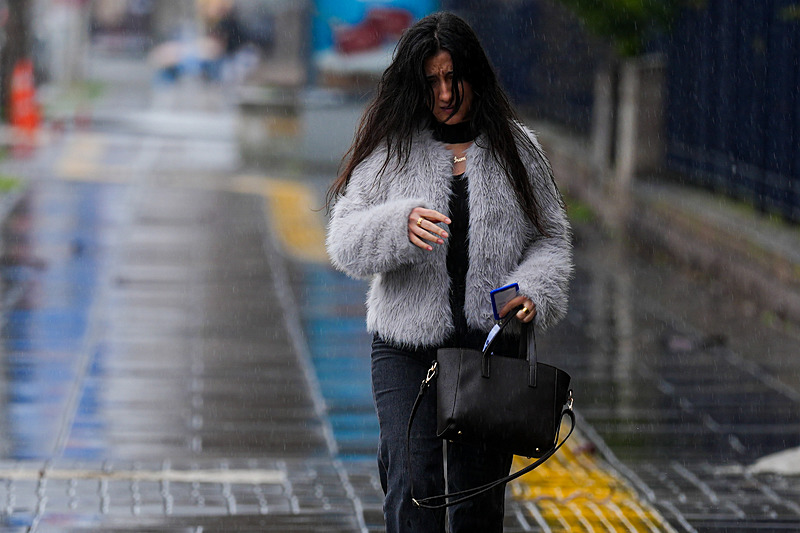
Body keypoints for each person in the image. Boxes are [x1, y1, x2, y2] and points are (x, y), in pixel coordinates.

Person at [325, 11, 572, 533]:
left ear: (473, 75)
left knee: (477, 505)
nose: (444, 93)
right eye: (432, 80)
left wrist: (531, 293)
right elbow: (343, 240)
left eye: (452, 78)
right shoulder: (392, 148)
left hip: (487, 350)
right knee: (414, 487)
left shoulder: (517, 148)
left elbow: (550, 235)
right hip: (404, 347)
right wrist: (398, 226)